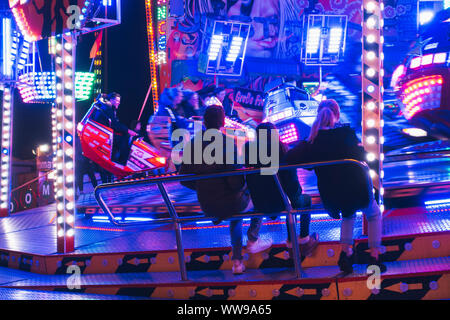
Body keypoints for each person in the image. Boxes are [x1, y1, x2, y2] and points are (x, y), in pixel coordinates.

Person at [285, 99, 386, 274]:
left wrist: (310, 156)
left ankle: (346, 254)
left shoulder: (312, 141)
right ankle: (374, 257)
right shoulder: (345, 134)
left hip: (331, 196)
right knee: (374, 213)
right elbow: (362, 155)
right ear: (336, 115)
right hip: (357, 191)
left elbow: (291, 158)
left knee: (348, 213)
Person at [179, 105, 272, 274]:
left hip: (207, 204)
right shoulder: (226, 142)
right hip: (229, 203)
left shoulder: (192, 144)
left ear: (204, 122)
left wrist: (202, 187)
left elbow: (183, 177)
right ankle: (252, 240)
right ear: (222, 122)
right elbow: (235, 181)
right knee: (259, 197)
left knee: (235, 210)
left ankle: (237, 262)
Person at [243, 122, 319, 257]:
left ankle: (253, 238)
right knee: (304, 200)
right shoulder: (282, 150)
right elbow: (292, 186)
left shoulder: (250, 152)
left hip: (260, 203)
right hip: (282, 202)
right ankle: (302, 239)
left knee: (279, 201)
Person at [91, 93, 137, 165]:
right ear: (111, 100)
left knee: (122, 134)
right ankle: (122, 162)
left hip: (105, 132)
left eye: (119, 101)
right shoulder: (108, 108)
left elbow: (115, 124)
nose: (119, 103)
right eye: (117, 101)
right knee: (125, 137)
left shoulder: (108, 108)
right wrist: (128, 130)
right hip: (103, 134)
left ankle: (117, 160)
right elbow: (115, 125)